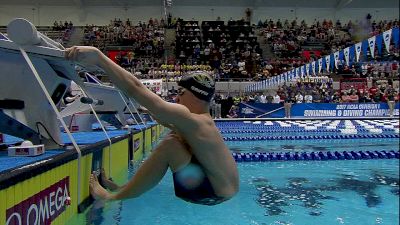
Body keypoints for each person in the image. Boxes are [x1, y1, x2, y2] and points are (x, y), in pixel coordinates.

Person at [65, 46, 239, 205]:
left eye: (181, 93)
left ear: (196, 94)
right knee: (175, 138)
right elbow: (169, 121)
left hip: (210, 192)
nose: (177, 98)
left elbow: (135, 88)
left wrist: (99, 57)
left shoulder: (194, 120)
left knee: (170, 145)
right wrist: (153, 113)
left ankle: (112, 197)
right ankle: (123, 188)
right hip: (220, 191)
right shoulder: (201, 122)